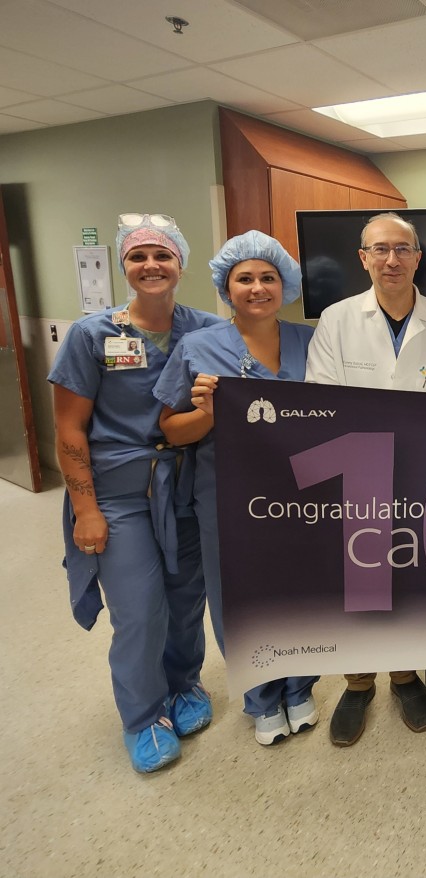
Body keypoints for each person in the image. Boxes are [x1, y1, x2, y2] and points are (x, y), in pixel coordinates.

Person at [48, 213, 222, 773]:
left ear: (181, 265)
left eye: (162, 256)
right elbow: (70, 430)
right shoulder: (92, 335)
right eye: (138, 257)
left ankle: (184, 684)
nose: (151, 266)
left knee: (184, 599)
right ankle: (144, 717)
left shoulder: (203, 330)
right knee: (140, 610)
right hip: (119, 494)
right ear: (124, 266)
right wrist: (85, 509)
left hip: (185, 486)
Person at [305, 212, 426, 746]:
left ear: (418, 257)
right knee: (357, 580)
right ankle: (357, 682)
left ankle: (405, 675)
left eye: (402, 249)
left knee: (408, 576)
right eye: (380, 250)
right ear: (363, 258)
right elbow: (321, 399)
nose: (391, 260)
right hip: (356, 473)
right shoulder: (335, 320)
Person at [154, 231, 321, 745]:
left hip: (301, 493)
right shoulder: (198, 347)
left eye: (267, 277)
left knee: (298, 590)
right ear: (227, 288)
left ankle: (300, 688)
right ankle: (260, 698)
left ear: (285, 284)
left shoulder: (311, 341)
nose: (257, 287)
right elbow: (169, 429)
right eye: (244, 278)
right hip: (227, 493)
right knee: (240, 597)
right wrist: (205, 413)